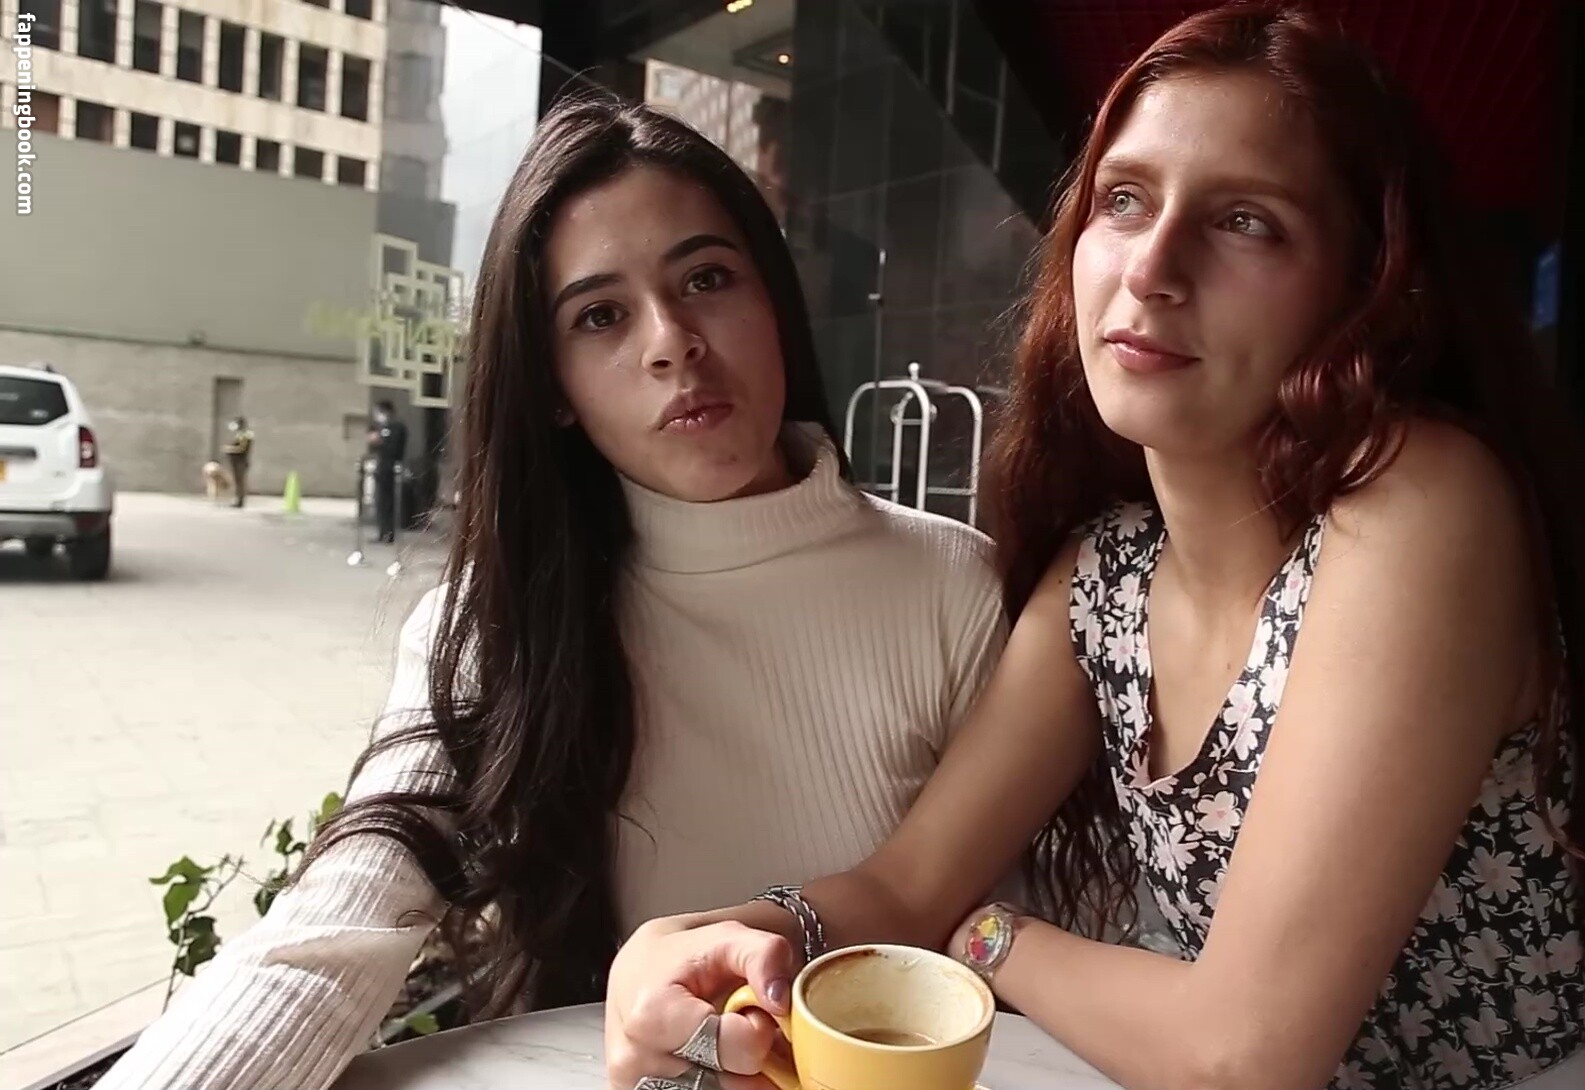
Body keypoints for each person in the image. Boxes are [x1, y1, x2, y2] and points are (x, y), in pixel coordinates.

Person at [605, 6, 1585, 1090]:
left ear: (1367, 289)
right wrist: (713, 940)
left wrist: (986, 936)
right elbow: (905, 886)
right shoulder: (1107, 575)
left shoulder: (1421, 501)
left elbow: (1241, 1052)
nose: (1152, 267)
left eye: (1246, 222)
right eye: (1124, 200)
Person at [97, 96, 1005, 1090]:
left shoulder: (953, 583)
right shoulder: (500, 622)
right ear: (555, 390)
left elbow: (1009, 935)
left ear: (776, 302)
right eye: (600, 316)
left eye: (707, 278)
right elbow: (326, 942)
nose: (672, 341)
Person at [368, 400, 409, 542]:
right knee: (380, 501)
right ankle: (382, 531)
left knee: (388, 502)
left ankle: (388, 532)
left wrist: (380, 441)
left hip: (389, 468)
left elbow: (393, 448)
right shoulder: (381, 428)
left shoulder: (396, 427)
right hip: (381, 467)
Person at [220, 417, 253, 508]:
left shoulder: (245, 435)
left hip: (241, 462)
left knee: (240, 481)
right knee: (237, 481)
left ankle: (240, 501)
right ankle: (238, 499)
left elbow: (242, 448)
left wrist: (229, 449)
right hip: (236, 462)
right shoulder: (240, 435)